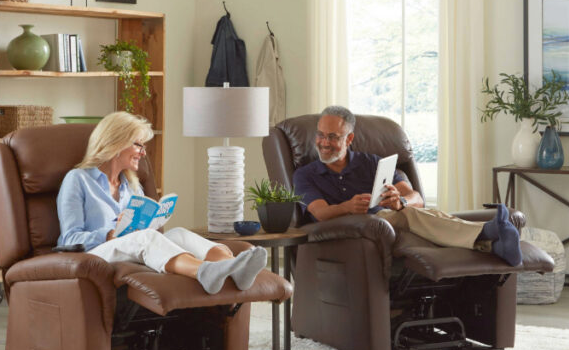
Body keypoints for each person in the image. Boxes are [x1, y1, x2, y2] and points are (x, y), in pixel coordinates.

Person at [57, 111, 266, 294]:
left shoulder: (131, 186)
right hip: (94, 255)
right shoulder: (78, 179)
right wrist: (111, 234)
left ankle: (233, 269)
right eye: (138, 144)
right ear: (116, 143)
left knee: (179, 234)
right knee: (145, 237)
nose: (143, 152)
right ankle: (203, 271)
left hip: (131, 249)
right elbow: (69, 239)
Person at [292, 106, 523, 266]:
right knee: (410, 216)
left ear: (349, 139)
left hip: (386, 228)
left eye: (333, 137)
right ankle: (487, 232)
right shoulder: (305, 174)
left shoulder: (371, 163)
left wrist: (400, 201)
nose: (324, 143)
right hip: (348, 231)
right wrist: (349, 207)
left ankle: (491, 245)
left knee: (411, 212)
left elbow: (416, 198)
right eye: (320, 135)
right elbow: (320, 213)